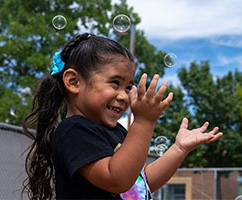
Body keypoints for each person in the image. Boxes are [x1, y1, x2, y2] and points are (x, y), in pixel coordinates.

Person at [22, 33, 223, 200]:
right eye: (115, 83)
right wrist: (144, 122)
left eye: (128, 87)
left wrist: (179, 148)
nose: (123, 95)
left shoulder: (116, 131)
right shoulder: (73, 130)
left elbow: (140, 184)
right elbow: (117, 180)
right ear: (74, 82)